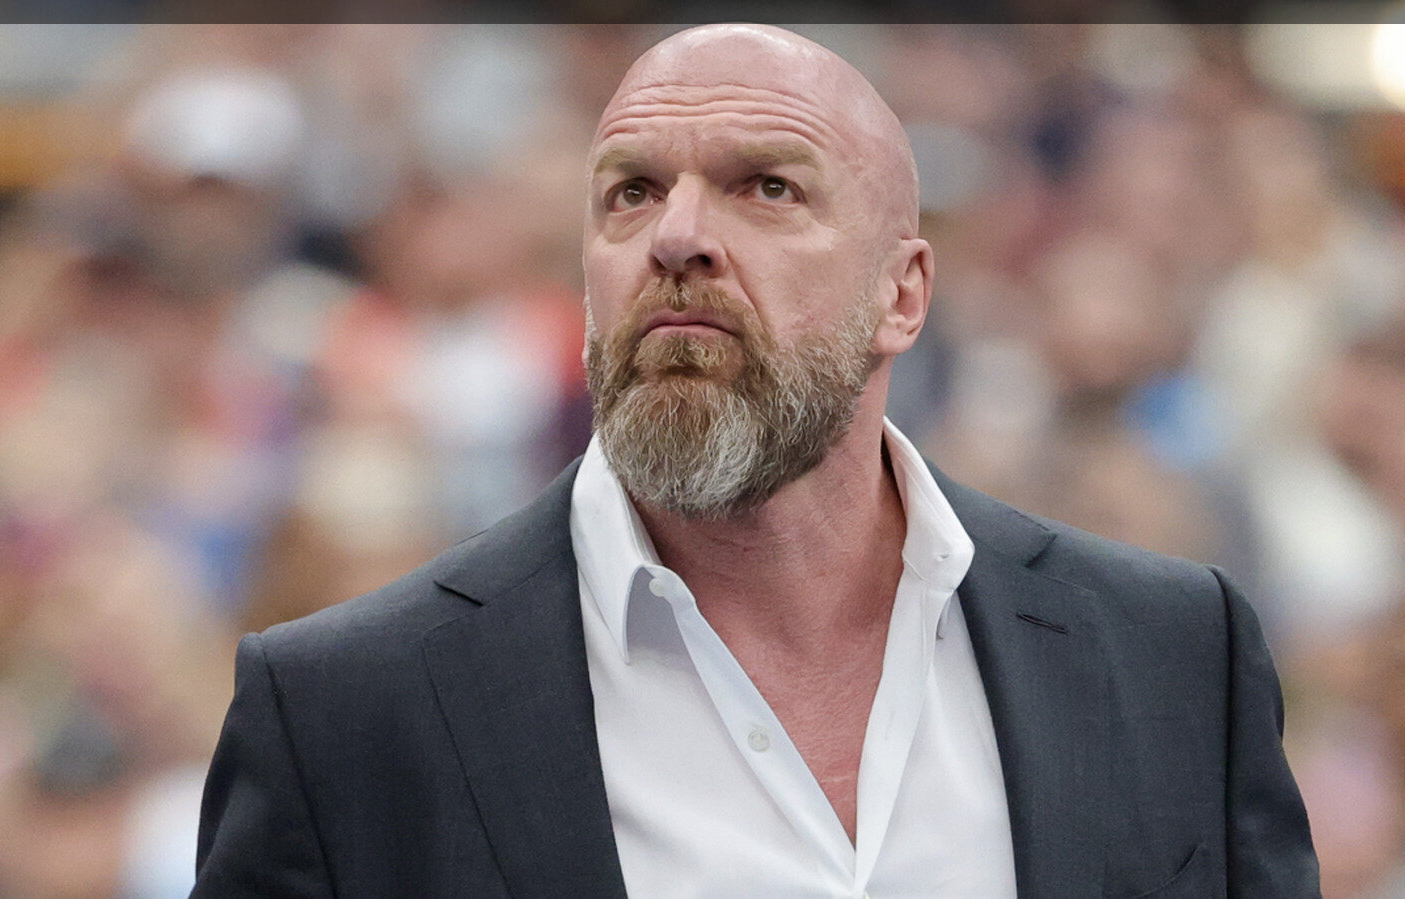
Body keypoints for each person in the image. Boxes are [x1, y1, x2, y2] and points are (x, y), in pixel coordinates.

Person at [193, 24, 1319, 897]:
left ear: (902, 293)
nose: (677, 236)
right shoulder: (346, 714)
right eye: (631, 192)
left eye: (766, 187)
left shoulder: (1173, 655)